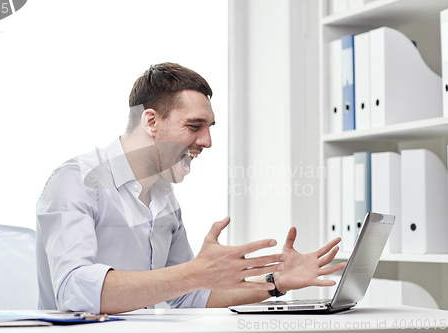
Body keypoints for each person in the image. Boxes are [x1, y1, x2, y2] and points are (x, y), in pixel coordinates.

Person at [36, 62, 346, 314]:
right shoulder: (76, 182)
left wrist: (275, 281)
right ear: (151, 121)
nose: (207, 141)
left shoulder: (164, 198)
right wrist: (194, 273)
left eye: (209, 128)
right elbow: (72, 290)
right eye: (194, 125)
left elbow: (191, 297)